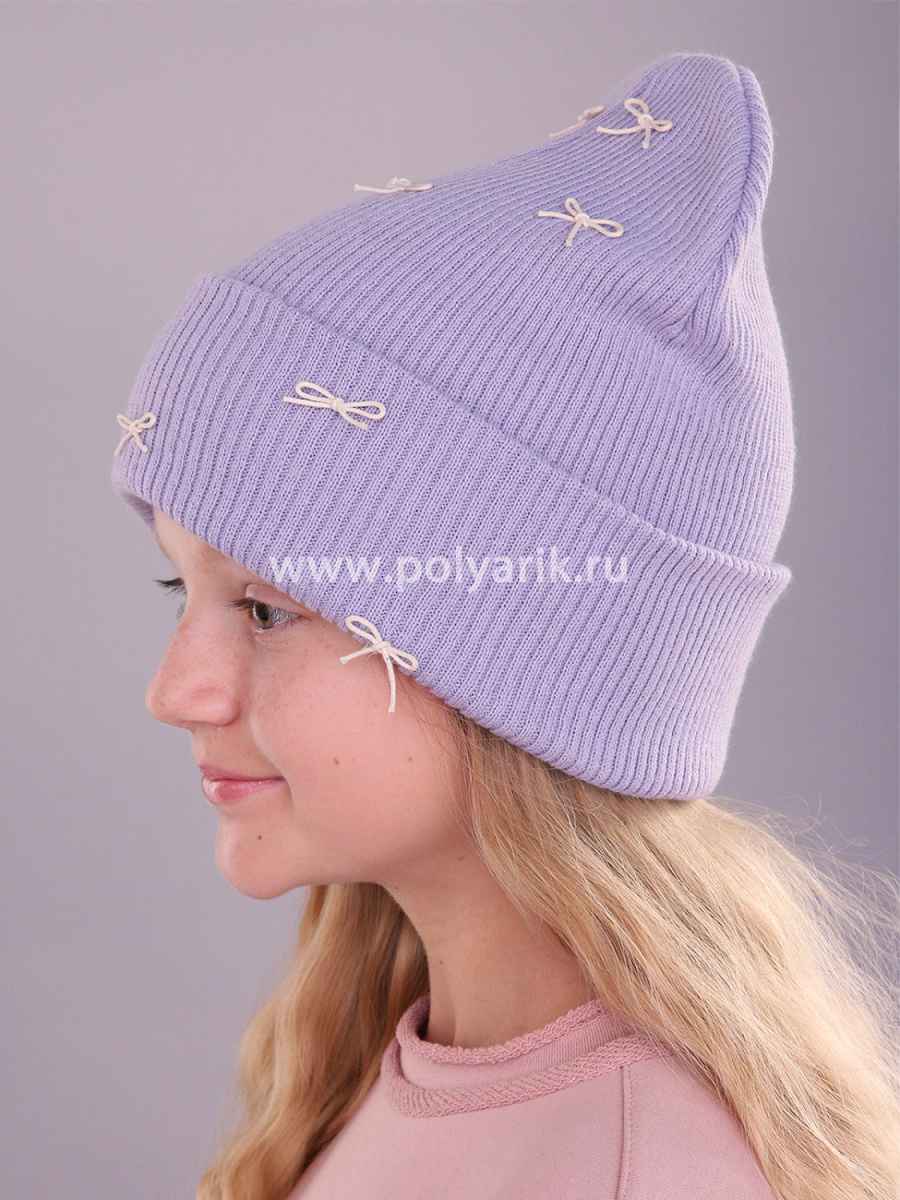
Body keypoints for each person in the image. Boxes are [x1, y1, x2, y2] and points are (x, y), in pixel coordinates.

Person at [110, 52, 899, 1200]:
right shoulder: (401, 1066)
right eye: (180, 591)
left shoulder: (636, 1171)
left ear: (527, 667)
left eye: (268, 607)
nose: (175, 690)